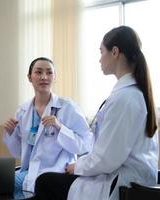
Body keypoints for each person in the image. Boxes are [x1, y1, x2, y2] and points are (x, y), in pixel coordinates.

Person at [35, 26, 159, 200]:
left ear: (115, 52)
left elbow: (107, 159)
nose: (100, 59)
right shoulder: (131, 94)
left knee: (45, 182)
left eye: (102, 52)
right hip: (124, 175)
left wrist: (76, 166)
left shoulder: (125, 98)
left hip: (122, 182)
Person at [3, 57, 94, 193]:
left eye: (49, 73)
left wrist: (60, 128)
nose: (44, 77)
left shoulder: (68, 107)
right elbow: (18, 153)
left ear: (54, 77)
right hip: (29, 174)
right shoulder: (22, 111)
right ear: (29, 77)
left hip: (56, 173)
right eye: (38, 72)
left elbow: (86, 145)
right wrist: (10, 134)